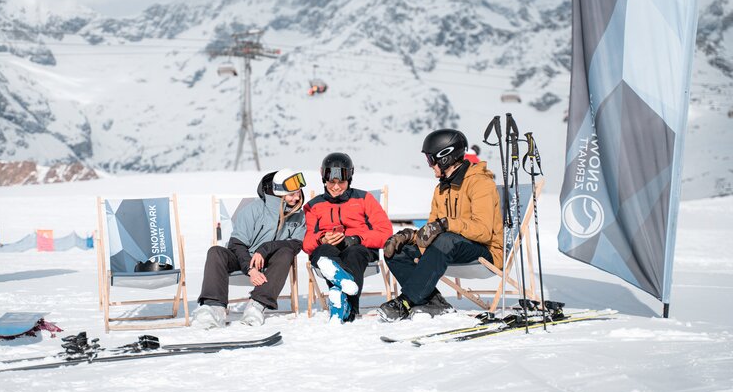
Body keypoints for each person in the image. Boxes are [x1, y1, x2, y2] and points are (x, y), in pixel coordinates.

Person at [378, 129, 503, 321]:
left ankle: (406, 302)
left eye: (430, 159)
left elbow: (484, 231)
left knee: (445, 239)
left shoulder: (480, 184)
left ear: (445, 157)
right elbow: (432, 231)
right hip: (451, 246)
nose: (430, 166)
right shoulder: (441, 189)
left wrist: (445, 224)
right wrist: (410, 237)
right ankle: (434, 303)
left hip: (486, 252)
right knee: (395, 249)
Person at [192, 169, 307, 329]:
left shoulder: (299, 217)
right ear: (280, 194)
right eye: (291, 194)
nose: (297, 198)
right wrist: (250, 269)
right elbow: (236, 244)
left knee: (286, 252)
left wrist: (265, 248)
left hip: (271, 263)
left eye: (298, 193)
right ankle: (214, 308)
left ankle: (256, 306)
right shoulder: (254, 209)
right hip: (243, 258)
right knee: (215, 251)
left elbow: (295, 244)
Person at [303, 152, 393, 323]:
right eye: (331, 182)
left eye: (341, 182)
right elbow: (307, 242)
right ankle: (344, 292)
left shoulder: (364, 199)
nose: (336, 187)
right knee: (323, 252)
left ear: (349, 179)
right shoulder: (313, 206)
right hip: (329, 249)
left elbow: (385, 232)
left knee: (353, 253)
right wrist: (322, 238)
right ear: (324, 178)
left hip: (360, 248)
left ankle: (346, 302)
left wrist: (357, 238)